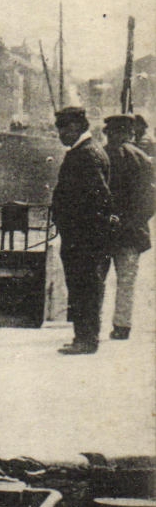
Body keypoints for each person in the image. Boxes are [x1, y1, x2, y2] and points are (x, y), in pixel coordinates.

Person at [51, 106, 116, 354]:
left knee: (85, 287)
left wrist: (84, 231)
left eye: (64, 129)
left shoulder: (86, 155)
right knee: (83, 287)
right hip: (82, 237)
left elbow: (100, 198)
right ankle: (83, 336)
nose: (61, 134)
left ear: (78, 127)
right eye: (59, 129)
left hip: (84, 238)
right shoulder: (87, 152)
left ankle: (86, 340)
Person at [104, 113, 154, 340]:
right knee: (126, 280)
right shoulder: (142, 159)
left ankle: (91, 324)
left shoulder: (99, 155)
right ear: (130, 133)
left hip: (103, 229)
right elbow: (150, 200)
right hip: (132, 232)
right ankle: (122, 326)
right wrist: (134, 221)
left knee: (97, 279)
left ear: (109, 133)